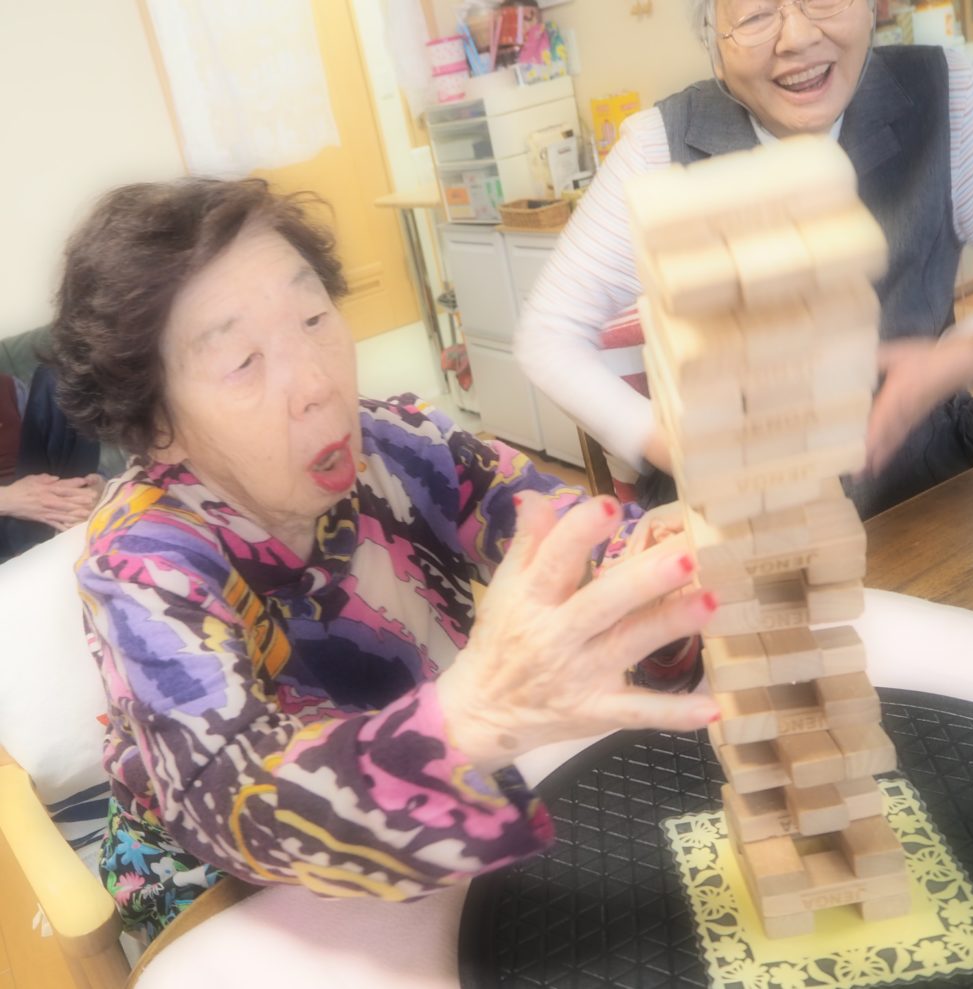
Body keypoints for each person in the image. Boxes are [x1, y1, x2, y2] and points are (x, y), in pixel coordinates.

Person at [48, 177, 721, 938]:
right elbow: (230, 796)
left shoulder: (400, 443)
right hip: (233, 897)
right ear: (155, 425)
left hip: (448, 821)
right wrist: (472, 714)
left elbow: (567, 536)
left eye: (314, 318)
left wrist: (655, 574)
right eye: (242, 362)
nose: (318, 383)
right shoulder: (143, 558)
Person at [517, 0, 973, 519]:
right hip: (747, 522)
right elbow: (547, 335)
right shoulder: (655, 150)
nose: (798, 37)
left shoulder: (943, 95)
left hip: (929, 490)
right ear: (713, 43)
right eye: (756, 14)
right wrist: (672, 446)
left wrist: (963, 355)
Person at [0, 364, 102, 563]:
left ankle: (73, 513)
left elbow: (59, 443)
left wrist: (95, 486)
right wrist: (8, 499)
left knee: (55, 376)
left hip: (45, 499)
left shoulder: (10, 388)